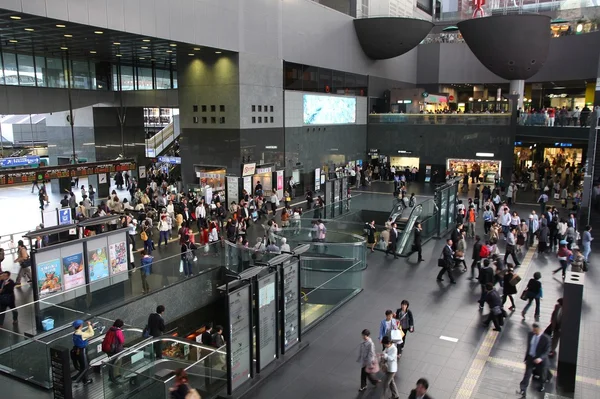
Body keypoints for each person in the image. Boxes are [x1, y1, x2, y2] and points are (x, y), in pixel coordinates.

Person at [517, 322, 551, 396]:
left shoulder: (546, 339)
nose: (534, 332)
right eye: (533, 330)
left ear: (540, 329)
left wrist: (540, 358)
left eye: (536, 330)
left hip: (541, 360)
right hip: (531, 357)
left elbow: (547, 351)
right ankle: (523, 389)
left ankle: (542, 384)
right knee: (527, 374)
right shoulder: (530, 334)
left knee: (542, 374)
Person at [71, 319, 94, 385]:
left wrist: (90, 327)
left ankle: (85, 380)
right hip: (82, 351)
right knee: (85, 367)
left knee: (83, 366)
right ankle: (76, 379)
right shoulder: (81, 334)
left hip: (76, 350)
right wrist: (89, 325)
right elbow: (91, 334)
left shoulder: (75, 333)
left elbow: (85, 334)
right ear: (80, 325)